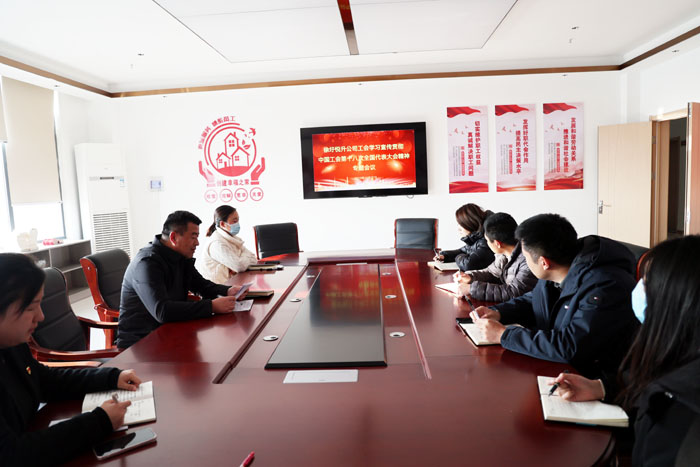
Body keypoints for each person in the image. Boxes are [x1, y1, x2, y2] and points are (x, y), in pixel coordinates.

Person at [547, 236, 700, 466]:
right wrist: (600, 388)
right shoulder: (677, 351)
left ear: (676, 300)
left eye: (646, 281)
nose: (638, 288)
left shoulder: (684, 413)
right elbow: (649, 379)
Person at [0, 253, 142, 466]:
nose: (41, 316)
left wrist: (111, 377)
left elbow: (44, 380)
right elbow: (13, 455)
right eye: (30, 308)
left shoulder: (11, 343)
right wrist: (100, 421)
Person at [471, 213, 639, 378]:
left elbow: (570, 346)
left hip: (593, 378)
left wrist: (504, 335)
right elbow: (534, 300)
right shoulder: (559, 269)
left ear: (544, 263)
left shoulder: (605, 287)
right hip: (557, 367)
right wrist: (498, 312)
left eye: (525, 256)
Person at [117, 210, 246, 349]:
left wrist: (228, 291)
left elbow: (201, 285)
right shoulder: (147, 263)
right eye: (193, 237)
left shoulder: (180, 256)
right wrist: (211, 306)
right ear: (174, 237)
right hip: (142, 343)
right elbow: (162, 311)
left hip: (171, 330)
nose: (197, 243)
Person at [454, 212, 536, 302]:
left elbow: (513, 293)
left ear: (497, 244)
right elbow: (492, 272)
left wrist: (471, 289)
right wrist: (470, 276)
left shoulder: (527, 260)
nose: (487, 243)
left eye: (487, 240)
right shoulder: (503, 254)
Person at [198, 205, 258, 284]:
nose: (237, 224)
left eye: (238, 220)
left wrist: (241, 260)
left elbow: (253, 258)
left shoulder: (233, 238)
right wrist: (242, 259)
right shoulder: (217, 243)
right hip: (218, 289)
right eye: (234, 221)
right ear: (223, 224)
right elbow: (239, 266)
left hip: (233, 285)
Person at [435, 203, 494, 271]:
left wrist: (458, 257)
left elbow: (468, 264)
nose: (459, 229)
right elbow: (463, 250)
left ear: (471, 223)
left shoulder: (486, 241)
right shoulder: (477, 237)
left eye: (461, 225)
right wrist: (445, 256)